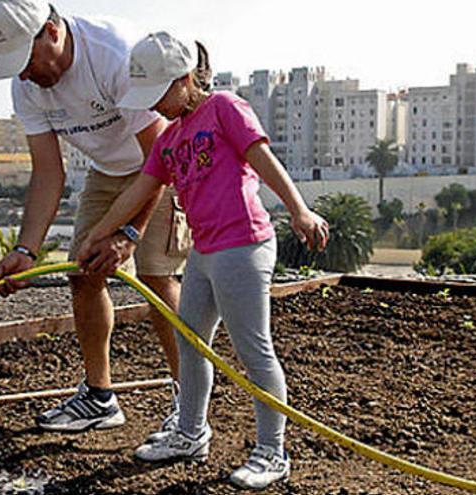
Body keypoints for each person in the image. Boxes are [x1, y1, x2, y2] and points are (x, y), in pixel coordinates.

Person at [77, 32, 329, 490]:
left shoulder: (225, 109)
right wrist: (98, 233)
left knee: (254, 351)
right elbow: (138, 191)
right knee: (191, 343)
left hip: (244, 246)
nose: (155, 107)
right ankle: (191, 433)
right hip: (204, 251)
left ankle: (272, 452)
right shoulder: (170, 138)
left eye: (160, 95)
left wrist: (299, 209)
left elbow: (263, 158)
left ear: (186, 78)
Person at [0, 0, 190, 434]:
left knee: (156, 277)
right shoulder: (26, 87)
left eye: (25, 59)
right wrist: (26, 250)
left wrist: (130, 233)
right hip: (110, 171)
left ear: (53, 32)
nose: (23, 73)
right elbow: (48, 172)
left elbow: (161, 158)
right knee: (84, 271)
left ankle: (189, 402)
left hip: (165, 163)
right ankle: (100, 398)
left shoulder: (114, 55)